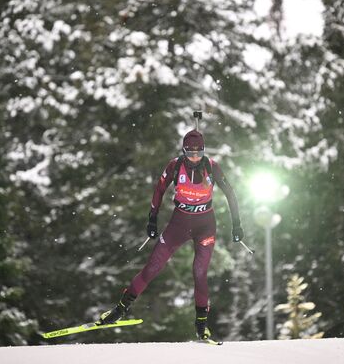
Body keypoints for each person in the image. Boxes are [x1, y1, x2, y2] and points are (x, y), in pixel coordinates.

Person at [98, 129, 244, 340]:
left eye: (199, 153)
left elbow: (230, 193)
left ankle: (201, 325)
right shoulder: (175, 165)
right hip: (179, 223)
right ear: (183, 151)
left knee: (199, 273)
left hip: (205, 225)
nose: (194, 158)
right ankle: (119, 310)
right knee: (152, 267)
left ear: (204, 151)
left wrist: (236, 224)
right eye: (190, 153)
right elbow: (159, 190)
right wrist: (152, 218)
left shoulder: (212, 167)